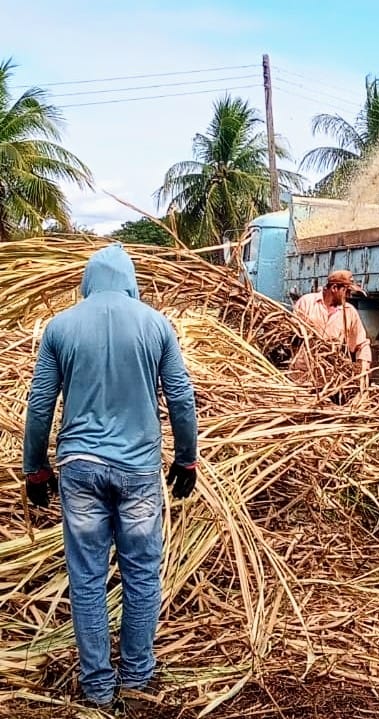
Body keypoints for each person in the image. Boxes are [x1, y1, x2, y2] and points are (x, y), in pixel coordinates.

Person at [22, 243, 198, 708]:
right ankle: (137, 679)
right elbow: (181, 397)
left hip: (80, 469)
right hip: (138, 470)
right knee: (141, 574)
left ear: (88, 281)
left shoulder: (60, 327)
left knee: (87, 577)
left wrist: (35, 468)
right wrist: (187, 458)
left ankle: (98, 688)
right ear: (130, 281)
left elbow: (40, 404)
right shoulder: (156, 324)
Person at [291, 269, 372, 388]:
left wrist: (363, 367)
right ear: (334, 288)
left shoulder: (349, 312)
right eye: (346, 291)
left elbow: (361, 344)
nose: (348, 296)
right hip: (301, 374)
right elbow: (291, 335)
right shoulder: (307, 303)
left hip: (329, 379)